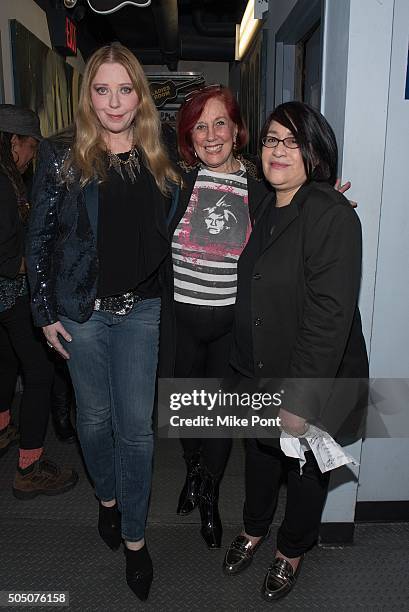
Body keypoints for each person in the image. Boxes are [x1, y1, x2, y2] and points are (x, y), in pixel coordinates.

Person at [26, 43, 180, 602]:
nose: (114, 102)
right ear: (87, 94)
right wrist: (44, 315)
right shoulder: (63, 155)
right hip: (82, 316)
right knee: (94, 421)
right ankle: (108, 501)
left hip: (140, 312)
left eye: (124, 88)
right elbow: (38, 240)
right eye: (101, 89)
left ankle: (136, 541)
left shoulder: (159, 155)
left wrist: (312, 192)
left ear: (138, 93)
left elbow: (213, 202)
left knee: (136, 431)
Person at [222, 101, 368, 601]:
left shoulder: (331, 216)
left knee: (305, 472)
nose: (277, 150)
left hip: (310, 376)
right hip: (258, 368)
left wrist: (300, 400)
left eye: (291, 141)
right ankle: (254, 528)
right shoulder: (264, 202)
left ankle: (291, 549)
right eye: (269, 140)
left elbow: (331, 317)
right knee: (261, 458)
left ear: (314, 151)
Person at [169, 85, 270, 548]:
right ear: (190, 137)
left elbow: (292, 222)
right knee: (189, 411)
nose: (211, 135)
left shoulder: (258, 191)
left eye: (220, 124)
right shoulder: (176, 183)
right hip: (181, 323)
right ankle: (193, 472)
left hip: (231, 324)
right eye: (200, 126)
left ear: (236, 130)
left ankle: (208, 492)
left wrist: (327, 204)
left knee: (220, 419)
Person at [0, 104, 78, 498]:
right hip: (8, 292)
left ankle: (1, 428)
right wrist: (36, 264)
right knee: (40, 373)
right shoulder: (3, 182)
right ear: (13, 142)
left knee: (6, 359)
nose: (32, 156)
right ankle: (29, 466)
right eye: (30, 147)